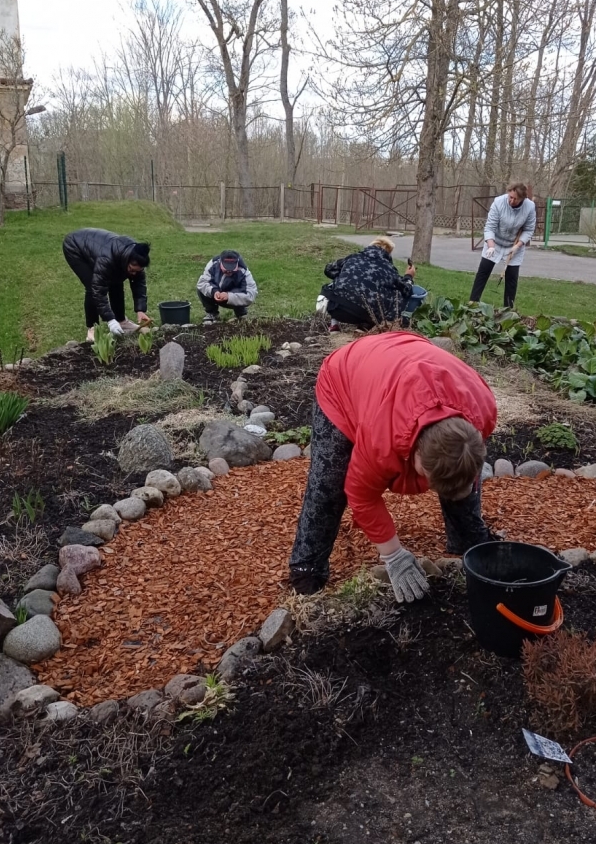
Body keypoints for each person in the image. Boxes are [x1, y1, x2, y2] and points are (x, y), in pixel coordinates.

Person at [288, 331, 498, 599]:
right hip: (345, 375)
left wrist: (460, 481)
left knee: (458, 466)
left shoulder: (483, 409)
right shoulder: (381, 438)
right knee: (329, 481)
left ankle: (470, 541)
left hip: (406, 358)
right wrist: (394, 555)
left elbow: (461, 464)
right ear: (416, 454)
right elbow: (362, 497)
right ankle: (307, 568)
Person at [319, 237, 427, 331]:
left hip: (336, 308)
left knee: (335, 284)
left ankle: (334, 324)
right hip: (367, 315)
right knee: (396, 294)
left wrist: (346, 274)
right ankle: (365, 326)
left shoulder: (353, 258)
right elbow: (407, 290)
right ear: (388, 253)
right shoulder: (389, 269)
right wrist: (409, 276)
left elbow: (329, 270)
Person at [62, 229, 151, 342]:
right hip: (75, 247)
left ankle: (122, 321)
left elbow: (139, 284)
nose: (133, 274)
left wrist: (140, 310)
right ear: (127, 260)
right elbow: (98, 290)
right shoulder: (107, 259)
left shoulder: (137, 258)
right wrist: (110, 319)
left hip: (97, 247)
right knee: (91, 286)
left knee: (116, 282)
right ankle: (93, 329)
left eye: (137, 271)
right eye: (131, 270)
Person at [469, 183, 537, 309]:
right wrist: (490, 246)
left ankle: (508, 311)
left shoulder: (530, 207)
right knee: (483, 272)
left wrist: (518, 245)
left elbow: (529, 230)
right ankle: (472, 304)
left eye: (515, 199)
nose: (511, 200)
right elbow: (490, 227)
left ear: (522, 198)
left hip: (514, 245)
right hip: (494, 243)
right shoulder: (499, 202)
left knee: (512, 278)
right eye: (510, 197)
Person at [196, 249, 258, 324]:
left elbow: (250, 294)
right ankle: (212, 313)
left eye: (232, 269)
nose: (228, 271)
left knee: (241, 294)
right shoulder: (213, 264)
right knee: (201, 289)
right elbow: (202, 282)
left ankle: (241, 314)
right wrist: (214, 291)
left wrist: (228, 296)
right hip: (216, 293)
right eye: (226, 268)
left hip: (232, 298)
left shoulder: (244, 272)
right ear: (220, 262)